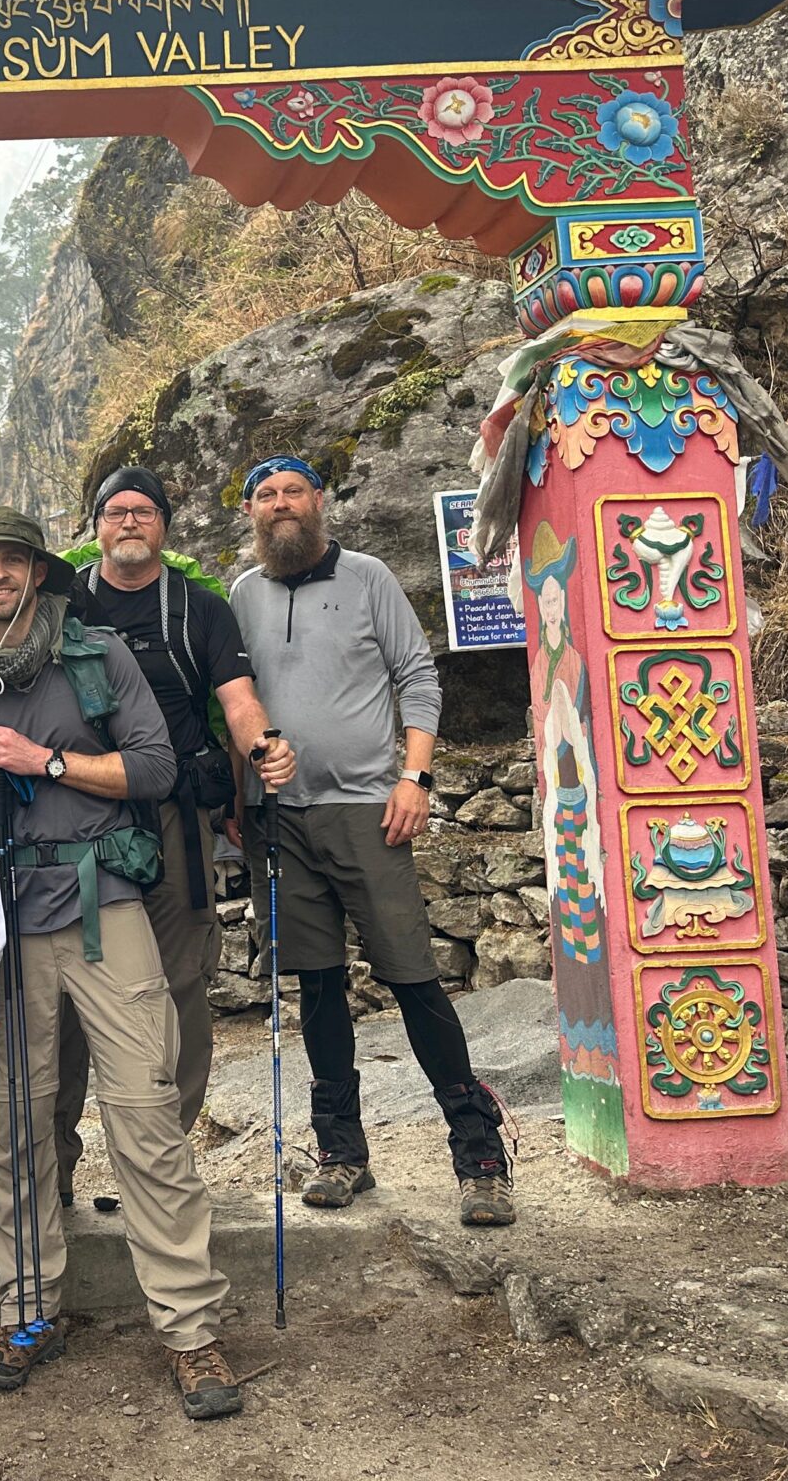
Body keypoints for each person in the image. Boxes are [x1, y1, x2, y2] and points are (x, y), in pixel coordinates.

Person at [0, 507, 243, 1421]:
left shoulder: (97, 658)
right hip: (4, 926)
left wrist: (45, 760)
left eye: (12, 561)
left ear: (39, 572)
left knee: (145, 1113)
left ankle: (191, 1329)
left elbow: (155, 771)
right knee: (17, 1125)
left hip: (108, 906)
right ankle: (27, 1311)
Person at [228, 456, 514, 1228]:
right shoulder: (242, 594)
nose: (280, 505)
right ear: (251, 511)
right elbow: (235, 702)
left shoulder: (368, 576)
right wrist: (238, 798)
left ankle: (479, 1154)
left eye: (293, 491)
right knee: (317, 986)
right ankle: (341, 1153)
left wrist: (414, 778)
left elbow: (417, 677)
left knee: (413, 977)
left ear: (318, 501)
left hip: (367, 808)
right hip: (279, 818)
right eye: (266, 495)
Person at [59, 467, 294, 1201]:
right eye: (115, 511)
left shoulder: (199, 609)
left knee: (179, 983)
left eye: (144, 512)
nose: (130, 522)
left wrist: (262, 749)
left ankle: (162, 1157)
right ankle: (54, 1162)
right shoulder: (60, 602)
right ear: (96, 525)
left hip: (172, 817)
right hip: (73, 813)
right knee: (63, 985)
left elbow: (238, 699)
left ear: (165, 525)